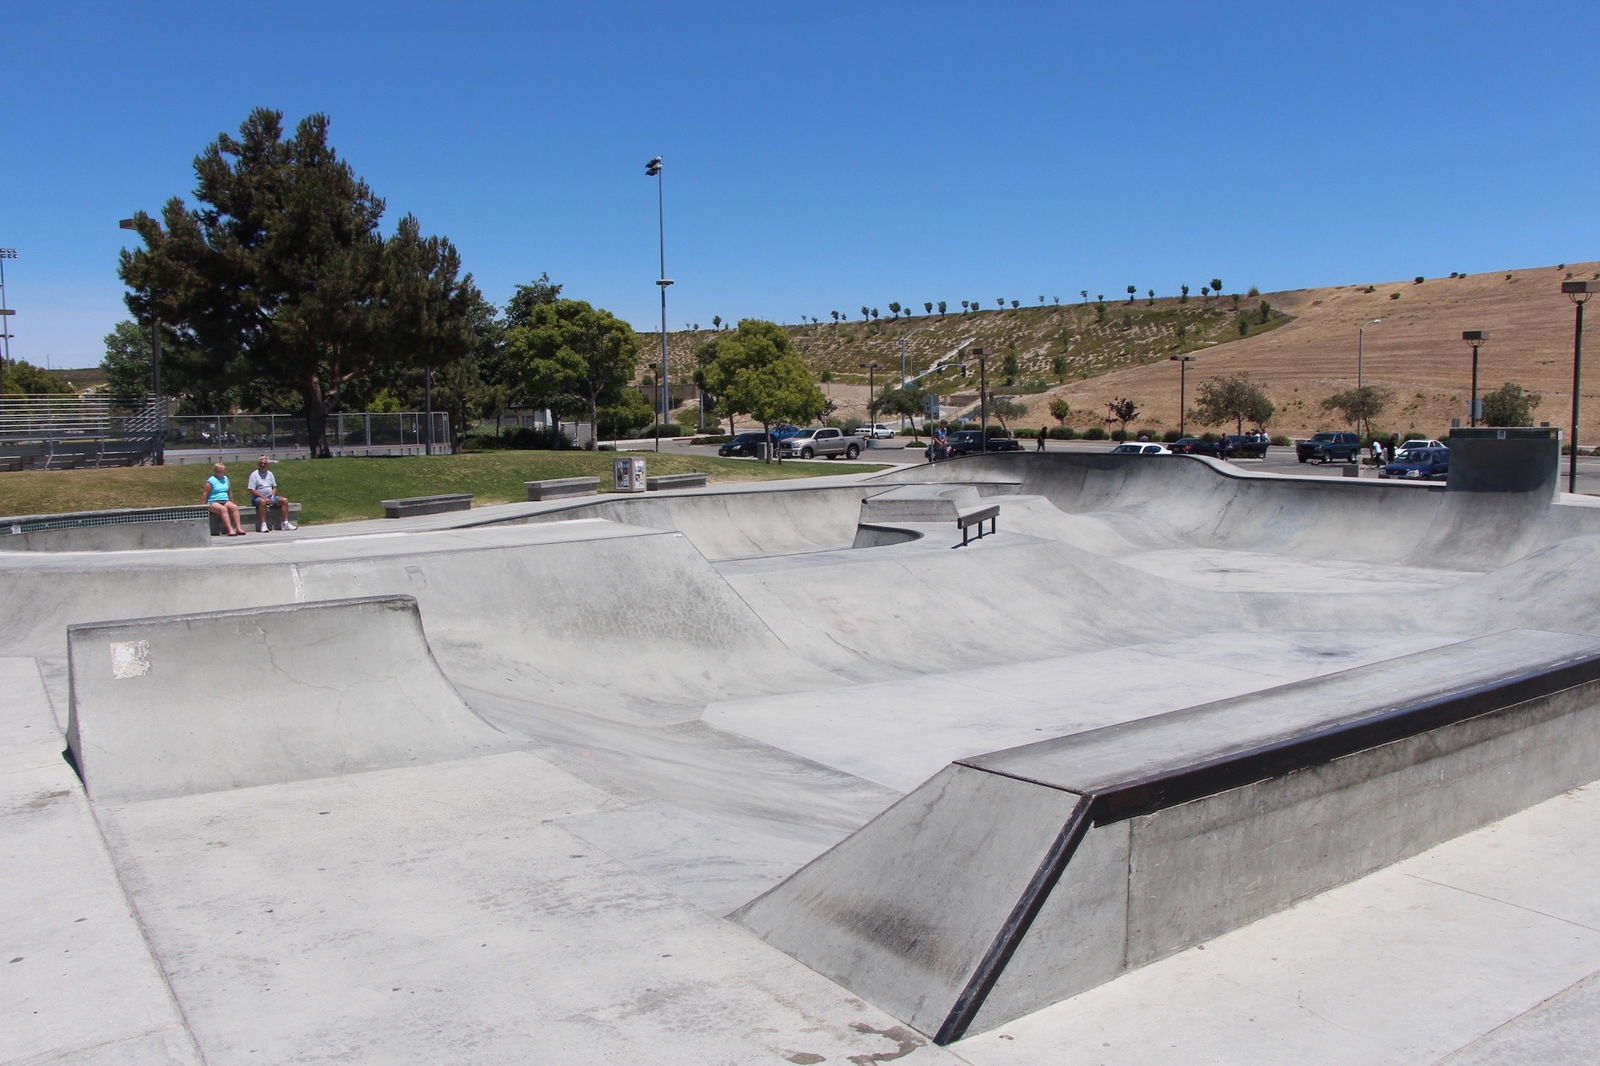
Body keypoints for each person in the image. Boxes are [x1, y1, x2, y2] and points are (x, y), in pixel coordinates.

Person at [247, 455, 298, 532]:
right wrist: (264, 497)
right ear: (258, 464)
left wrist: (272, 496)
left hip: (270, 497)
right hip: (258, 498)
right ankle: (263, 524)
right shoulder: (254, 475)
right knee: (263, 501)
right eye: (261, 463)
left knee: (284, 500)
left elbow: (274, 487)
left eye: (265, 463)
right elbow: (252, 490)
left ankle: (285, 523)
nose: (263, 465)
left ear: (267, 464)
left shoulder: (270, 474)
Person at [205, 463, 246, 537]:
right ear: (216, 471)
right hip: (213, 501)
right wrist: (203, 506)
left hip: (225, 500)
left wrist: (232, 501)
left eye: (222, 471)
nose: (221, 473)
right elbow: (205, 494)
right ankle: (230, 529)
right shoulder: (211, 481)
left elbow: (229, 491)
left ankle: (238, 528)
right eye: (219, 471)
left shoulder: (225, 479)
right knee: (223, 509)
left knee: (234, 507)